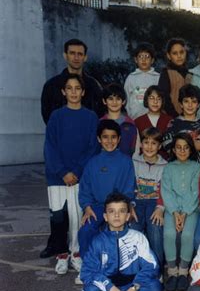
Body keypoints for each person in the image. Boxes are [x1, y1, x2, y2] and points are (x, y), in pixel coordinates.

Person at [41, 74, 99, 276]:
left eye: (77, 88)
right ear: (63, 92)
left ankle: (76, 253)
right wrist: (63, 172)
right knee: (59, 217)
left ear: (83, 92)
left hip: (79, 177)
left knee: (77, 217)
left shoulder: (91, 117)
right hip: (57, 177)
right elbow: (50, 147)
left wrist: (76, 172)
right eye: (69, 88)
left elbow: (93, 147)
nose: (74, 92)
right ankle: (61, 254)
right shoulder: (56, 116)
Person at [81, 192, 166, 291]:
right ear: (105, 216)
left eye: (121, 211)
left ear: (127, 216)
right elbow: (87, 272)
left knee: (155, 287)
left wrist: (135, 287)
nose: (116, 215)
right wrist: (110, 287)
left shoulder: (138, 238)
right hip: (109, 288)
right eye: (111, 211)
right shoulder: (98, 241)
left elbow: (151, 266)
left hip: (132, 286)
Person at [78, 120, 136, 266]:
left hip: (118, 207)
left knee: (121, 230)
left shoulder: (126, 162)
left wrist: (127, 206)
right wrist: (87, 207)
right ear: (99, 139)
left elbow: (129, 188)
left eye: (113, 137)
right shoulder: (92, 163)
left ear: (119, 139)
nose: (109, 141)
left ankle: (121, 266)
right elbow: (85, 188)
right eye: (105, 137)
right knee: (85, 231)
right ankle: (88, 268)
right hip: (97, 206)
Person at [162, 133, 200, 291]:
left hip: (190, 209)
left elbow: (195, 191)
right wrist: (174, 212)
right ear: (174, 149)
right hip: (171, 210)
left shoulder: (196, 167)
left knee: (187, 235)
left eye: (186, 148)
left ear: (191, 149)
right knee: (169, 234)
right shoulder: (169, 167)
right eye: (179, 147)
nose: (182, 151)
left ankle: (184, 271)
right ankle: (172, 271)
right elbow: (166, 191)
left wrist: (184, 213)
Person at [41, 39, 103, 123]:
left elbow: (100, 114)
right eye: (72, 53)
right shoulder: (51, 85)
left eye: (80, 54)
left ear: (85, 57)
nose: (76, 57)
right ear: (65, 55)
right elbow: (47, 116)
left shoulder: (94, 86)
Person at [131, 127, 167, 266]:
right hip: (137, 203)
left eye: (154, 143)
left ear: (159, 146)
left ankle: (156, 267)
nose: (149, 147)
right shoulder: (134, 163)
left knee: (155, 227)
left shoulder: (165, 165)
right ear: (141, 144)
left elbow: (165, 189)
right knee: (133, 228)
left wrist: (160, 208)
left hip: (155, 202)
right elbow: (129, 186)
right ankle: (134, 267)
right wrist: (130, 205)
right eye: (146, 142)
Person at [162, 84, 200, 165]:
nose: (190, 105)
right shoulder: (173, 123)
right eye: (186, 101)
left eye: (193, 101)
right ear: (181, 104)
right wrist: (193, 143)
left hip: (199, 169)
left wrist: (180, 146)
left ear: (198, 105)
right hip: (177, 169)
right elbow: (168, 146)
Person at [134, 85, 173, 160]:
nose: (155, 102)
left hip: (165, 163)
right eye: (152, 98)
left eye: (159, 99)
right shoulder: (138, 121)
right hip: (143, 162)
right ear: (146, 100)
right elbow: (136, 148)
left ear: (163, 101)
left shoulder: (170, 120)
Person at [124, 42, 160, 119]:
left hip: (154, 118)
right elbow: (126, 98)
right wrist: (130, 114)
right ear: (136, 59)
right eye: (140, 57)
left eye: (147, 57)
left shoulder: (157, 77)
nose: (144, 60)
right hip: (135, 117)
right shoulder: (131, 78)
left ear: (152, 60)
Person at [101, 83, 138, 157]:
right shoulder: (99, 123)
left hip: (125, 165)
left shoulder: (131, 124)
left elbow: (134, 150)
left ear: (123, 101)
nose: (114, 102)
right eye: (110, 99)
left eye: (118, 99)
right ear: (104, 101)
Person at [158, 38, 192, 117]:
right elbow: (164, 98)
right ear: (169, 56)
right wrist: (177, 116)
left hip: (190, 117)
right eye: (175, 53)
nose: (179, 56)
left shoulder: (190, 73)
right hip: (171, 118)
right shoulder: (166, 73)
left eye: (181, 52)